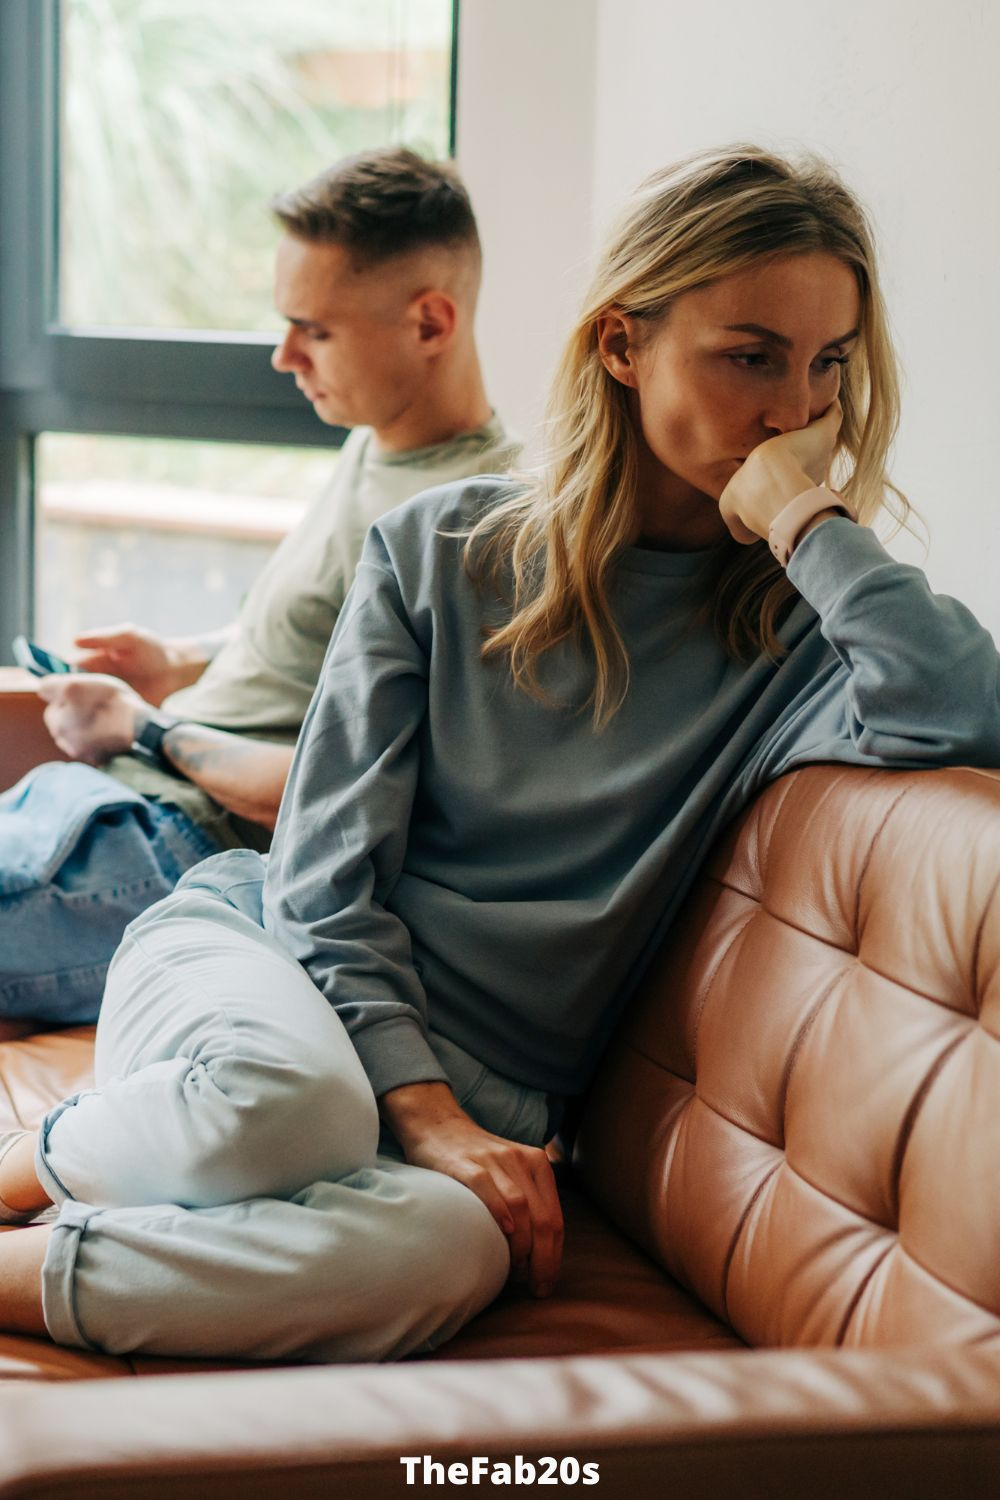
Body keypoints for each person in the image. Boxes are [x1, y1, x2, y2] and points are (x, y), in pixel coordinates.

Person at [0, 142, 997, 1362]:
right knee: (293, 1109)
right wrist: (417, 1110)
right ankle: (31, 1164)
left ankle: (25, 1271)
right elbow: (322, 876)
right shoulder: (441, 549)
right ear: (621, 347)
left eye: (826, 365)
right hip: (264, 967)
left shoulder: (796, 637)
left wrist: (807, 518)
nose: (793, 412)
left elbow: (964, 715)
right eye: (749, 357)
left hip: (489, 1102)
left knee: (454, 1253)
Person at [0, 146, 520, 1026]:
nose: (284, 357)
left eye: (315, 330)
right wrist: (179, 660)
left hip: (181, 851)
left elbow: (356, 798)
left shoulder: (470, 528)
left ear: (430, 324)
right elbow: (312, 652)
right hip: (111, 805)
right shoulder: (376, 440)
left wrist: (147, 723)